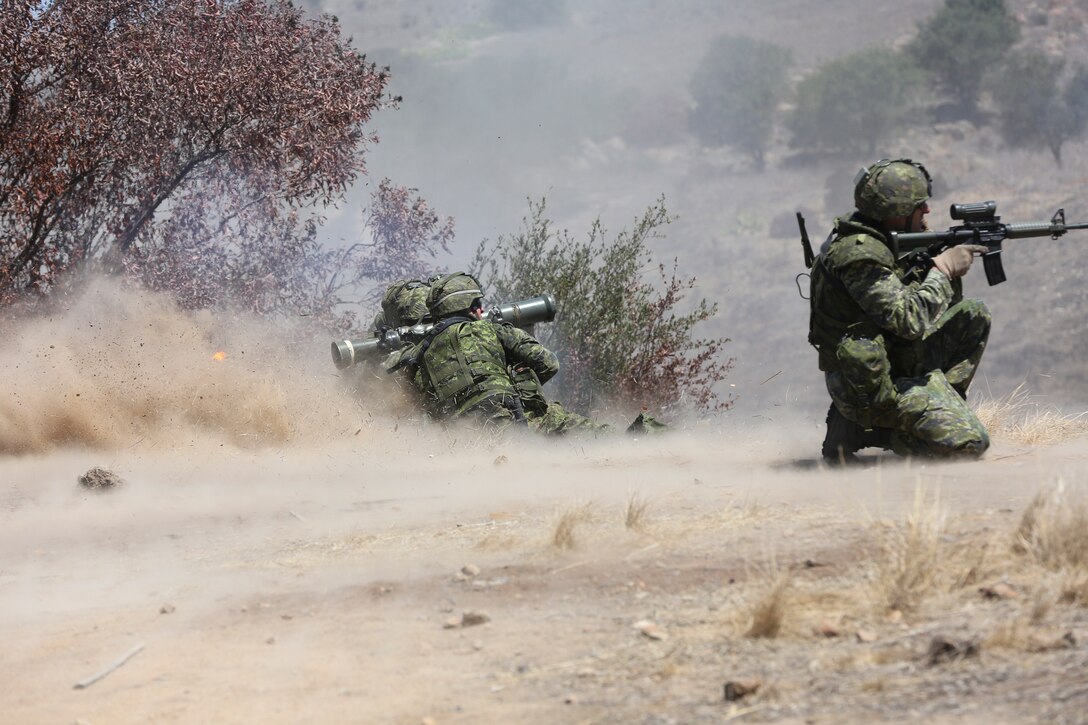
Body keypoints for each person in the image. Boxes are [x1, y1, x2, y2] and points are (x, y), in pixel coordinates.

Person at [808, 158, 991, 462]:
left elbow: (940, 307)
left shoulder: (879, 240)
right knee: (970, 445)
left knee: (973, 314)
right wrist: (942, 271)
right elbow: (909, 321)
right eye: (919, 206)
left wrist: (932, 259)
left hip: (889, 360)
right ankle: (870, 429)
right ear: (897, 212)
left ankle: (936, 410)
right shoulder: (861, 255)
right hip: (867, 385)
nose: (928, 211)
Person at [389, 272, 612, 435]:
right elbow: (549, 363)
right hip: (513, 422)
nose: (482, 310)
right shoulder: (492, 329)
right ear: (468, 306)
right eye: (477, 303)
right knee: (601, 434)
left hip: (462, 437)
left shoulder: (418, 357)